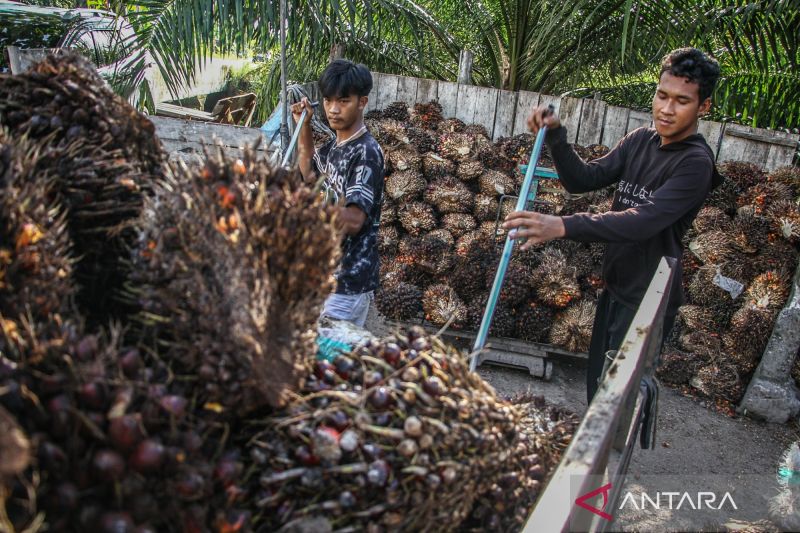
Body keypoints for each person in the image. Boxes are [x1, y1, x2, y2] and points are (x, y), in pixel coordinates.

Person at [503, 47, 722, 402]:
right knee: (598, 392)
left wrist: (562, 225)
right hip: (617, 287)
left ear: (704, 107)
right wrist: (557, 135)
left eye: (682, 101)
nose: (666, 109)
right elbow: (584, 179)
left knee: (614, 407)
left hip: (647, 303)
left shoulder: (695, 164)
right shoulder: (640, 140)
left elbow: (642, 222)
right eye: (662, 96)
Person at [291, 59, 385, 328]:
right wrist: (304, 125)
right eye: (329, 100)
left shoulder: (366, 153)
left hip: (348, 283)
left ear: (362, 102)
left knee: (331, 361)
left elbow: (354, 221)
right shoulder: (335, 146)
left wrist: (299, 210)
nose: (333, 109)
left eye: (343, 101)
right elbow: (309, 174)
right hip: (323, 278)